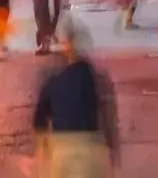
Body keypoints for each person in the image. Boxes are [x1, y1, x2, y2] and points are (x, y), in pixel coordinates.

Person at [32, 24, 119, 178]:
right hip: (91, 149)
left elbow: (39, 124)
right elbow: (109, 122)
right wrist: (113, 154)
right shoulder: (100, 79)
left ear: (66, 49)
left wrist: (42, 159)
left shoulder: (53, 80)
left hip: (61, 150)